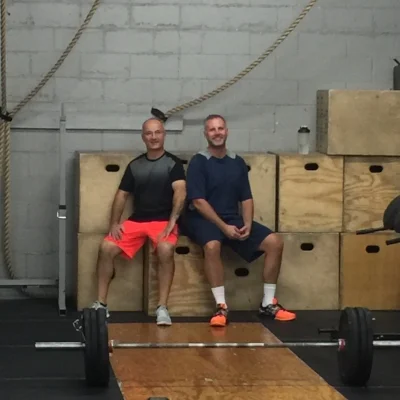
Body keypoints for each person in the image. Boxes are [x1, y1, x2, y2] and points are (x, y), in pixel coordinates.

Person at [182, 114, 296, 327]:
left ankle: (268, 303)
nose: (217, 133)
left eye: (220, 128)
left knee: (274, 242)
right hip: (203, 219)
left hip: (231, 218)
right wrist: (224, 227)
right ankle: (221, 306)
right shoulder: (198, 162)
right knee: (212, 245)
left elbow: (246, 198)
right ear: (205, 134)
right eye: (212, 129)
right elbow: (198, 202)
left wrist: (248, 224)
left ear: (227, 131)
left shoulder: (237, 162)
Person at [90, 117, 187, 326]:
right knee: (106, 247)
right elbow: (121, 195)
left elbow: (180, 192)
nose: (154, 137)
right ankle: (101, 305)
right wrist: (114, 223)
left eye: (157, 132)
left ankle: (162, 308)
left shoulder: (174, 164)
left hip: (163, 222)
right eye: (149, 133)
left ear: (164, 135)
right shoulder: (135, 165)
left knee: (165, 250)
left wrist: (172, 221)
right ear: (143, 137)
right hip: (138, 221)